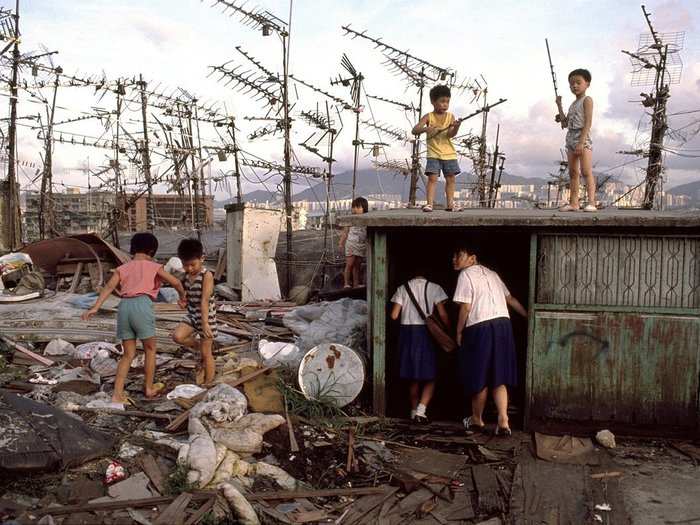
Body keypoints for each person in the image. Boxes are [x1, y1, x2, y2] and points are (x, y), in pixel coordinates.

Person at [82, 232, 186, 404]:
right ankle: (149, 388)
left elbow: (108, 287)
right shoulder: (154, 267)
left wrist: (95, 307)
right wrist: (182, 297)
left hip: (124, 307)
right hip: (142, 305)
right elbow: (176, 282)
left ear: (133, 248)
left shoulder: (123, 268)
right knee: (150, 349)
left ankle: (117, 394)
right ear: (152, 250)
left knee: (128, 354)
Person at [452, 244, 527, 435]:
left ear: (472, 258)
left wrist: (459, 331)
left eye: (459, 255)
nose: (454, 259)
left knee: (480, 374)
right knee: (498, 374)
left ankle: (477, 419)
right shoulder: (493, 274)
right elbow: (510, 299)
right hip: (503, 325)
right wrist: (528, 316)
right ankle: (503, 420)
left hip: (480, 326)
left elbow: (466, 308)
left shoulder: (465, 275)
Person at [390, 266, 450, 423]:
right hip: (427, 334)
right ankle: (422, 411)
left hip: (408, 334)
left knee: (413, 376)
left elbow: (394, 315)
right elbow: (443, 314)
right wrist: (447, 329)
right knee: (431, 375)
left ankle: (413, 410)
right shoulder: (435, 288)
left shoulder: (402, 288)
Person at [172, 238, 217, 384]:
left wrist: (205, 324)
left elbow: (204, 300)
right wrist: (182, 302)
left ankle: (208, 384)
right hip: (192, 315)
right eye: (186, 265)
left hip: (207, 317)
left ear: (202, 259)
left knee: (206, 354)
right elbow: (187, 297)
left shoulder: (207, 275)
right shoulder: (185, 277)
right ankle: (198, 345)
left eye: (193, 264)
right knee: (177, 337)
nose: (189, 268)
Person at [412, 84, 463, 212]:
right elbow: (414, 130)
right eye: (442, 101)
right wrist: (425, 129)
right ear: (433, 102)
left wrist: (456, 126)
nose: (445, 104)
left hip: (449, 153)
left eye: (447, 102)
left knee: (450, 179)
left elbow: (450, 134)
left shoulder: (450, 116)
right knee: (432, 178)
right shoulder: (429, 116)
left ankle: (450, 204)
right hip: (433, 153)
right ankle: (429, 204)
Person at [556, 68, 596, 212]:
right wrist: (559, 105)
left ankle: (592, 202)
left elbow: (588, 123)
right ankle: (574, 203)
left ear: (587, 84)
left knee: (586, 171)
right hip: (571, 137)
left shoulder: (587, 100)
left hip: (582, 137)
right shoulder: (572, 104)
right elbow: (565, 123)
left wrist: (581, 142)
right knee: (573, 172)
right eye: (572, 83)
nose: (575, 86)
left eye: (578, 82)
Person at [338, 197, 368, 289]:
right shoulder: (350, 219)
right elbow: (345, 232)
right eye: (354, 207)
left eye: (358, 207)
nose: (355, 209)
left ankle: (356, 284)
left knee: (357, 266)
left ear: (364, 208)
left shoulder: (367, 219)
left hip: (361, 245)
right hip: (351, 244)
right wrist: (341, 243)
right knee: (349, 264)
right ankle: (346, 283)